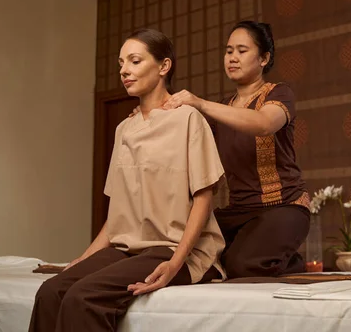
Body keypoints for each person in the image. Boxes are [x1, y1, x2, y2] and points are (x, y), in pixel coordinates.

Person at [29, 29, 226, 332]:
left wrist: (176, 263)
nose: (124, 70)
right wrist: (81, 260)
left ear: (164, 66)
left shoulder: (188, 119)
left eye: (134, 61)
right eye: (121, 63)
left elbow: (203, 198)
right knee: (50, 292)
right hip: (125, 249)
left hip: (171, 248)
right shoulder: (124, 129)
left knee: (82, 298)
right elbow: (118, 214)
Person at [162, 20, 311, 278]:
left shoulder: (279, 93)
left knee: (240, 266)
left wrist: (199, 103)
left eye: (242, 51)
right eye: (229, 51)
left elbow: (264, 123)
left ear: (264, 58)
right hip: (238, 211)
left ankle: (292, 262)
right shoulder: (224, 108)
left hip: (283, 207)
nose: (232, 58)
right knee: (190, 254)